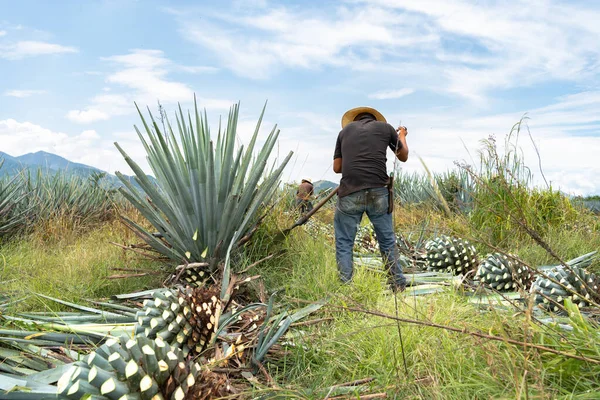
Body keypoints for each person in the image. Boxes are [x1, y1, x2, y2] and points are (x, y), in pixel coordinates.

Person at [333, 106, 409, 291]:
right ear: (375, 119)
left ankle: (345, 287)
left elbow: (337, 167)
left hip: (350, 190)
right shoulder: (385, 128)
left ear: (354, 120)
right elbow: (403, 156)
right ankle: (397, 285)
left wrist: (355, 161)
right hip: (378, 191)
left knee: (344, 241)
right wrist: (403, 135)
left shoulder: (344, 132)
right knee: (387, 240)